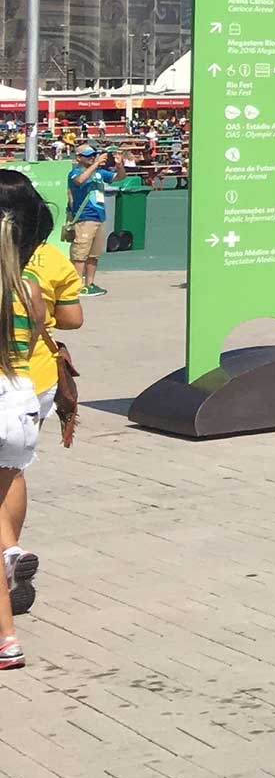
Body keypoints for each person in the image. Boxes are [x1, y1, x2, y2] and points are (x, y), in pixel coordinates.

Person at [0, 172, 77, 648]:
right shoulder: (30, 287)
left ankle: (6, 636)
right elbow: (65, 319)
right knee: (10, 479)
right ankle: (11, 551)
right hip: (23, 399)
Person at [66, 149, 114, 297]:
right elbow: (79, 181)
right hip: (84, 217)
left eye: (93, 156)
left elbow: (118, 177)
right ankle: (77, 285)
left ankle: (90, 283)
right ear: (79, 158)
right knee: (80, 253)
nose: (92, 158)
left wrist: (119, 165)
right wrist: (96, 164)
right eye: (88, 156)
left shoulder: (100, 173)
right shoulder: (75, 172)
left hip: (99, 216)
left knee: (94, 254)